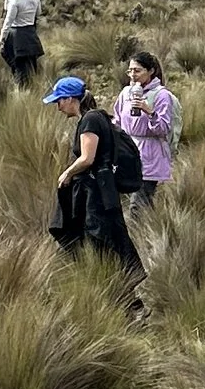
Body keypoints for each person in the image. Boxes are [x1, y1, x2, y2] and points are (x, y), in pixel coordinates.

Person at [46, 73, 143, 282]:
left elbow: (87, 158)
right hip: (99, 191)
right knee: (104, 242)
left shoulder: (90, 120)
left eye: (59, 101)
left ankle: (127, 298)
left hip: (96, 194)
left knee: (102, 241)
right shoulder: (96, 117)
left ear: (71, 99)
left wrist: (67, 173)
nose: (58, 107)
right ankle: (122, 295)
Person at [113, 49, 179, 190]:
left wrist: (149, 111)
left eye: (137, 71)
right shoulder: (125, 93)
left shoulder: (162, 96)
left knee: (139, 203)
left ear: (151, 71)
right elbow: (117, 121)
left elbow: (163, 128)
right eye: (129, 71)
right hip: (127, 153)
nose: (132, 75)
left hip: (150, 157)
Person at [0, 0, 46, 85]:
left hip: (16, 35)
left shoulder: (14, 0)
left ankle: (21, 90)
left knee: (18, 65)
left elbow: (8, 20)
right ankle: (33, 86)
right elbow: (38, 13)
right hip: (31, 34)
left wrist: (2, 37)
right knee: (31, 64)